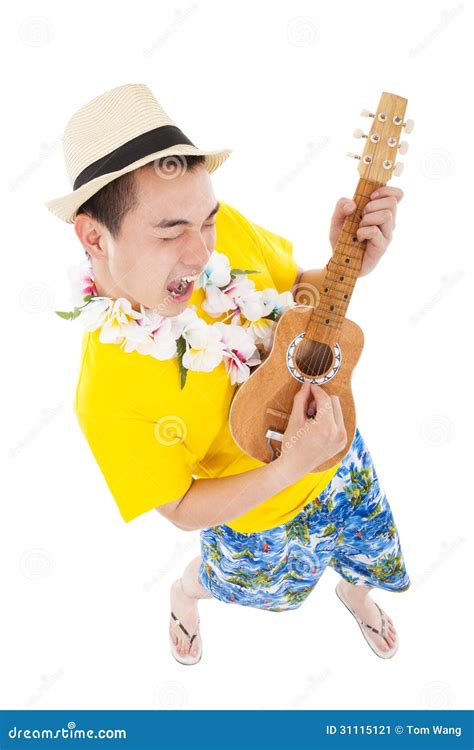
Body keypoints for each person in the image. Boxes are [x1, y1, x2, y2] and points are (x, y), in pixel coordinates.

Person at [46, 83, 409, 666]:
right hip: (255, 521)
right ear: (93, 235)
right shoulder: (106, 395)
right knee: (240, 586)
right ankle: (185, 596)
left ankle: (354, 591)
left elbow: (295, 296)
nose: (200, 252)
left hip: (339, 453)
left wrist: (348, 265)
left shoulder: (220, 232)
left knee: (373, 551)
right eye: (169, 231)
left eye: (206, 221)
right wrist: (290, 466)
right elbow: (183, 506)